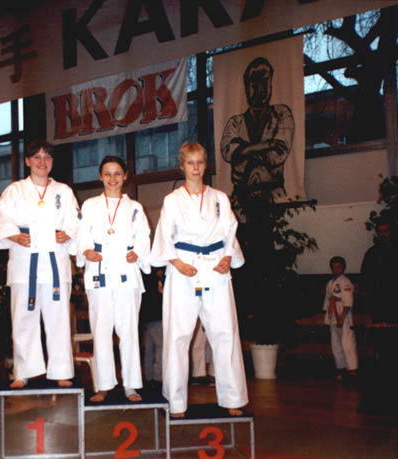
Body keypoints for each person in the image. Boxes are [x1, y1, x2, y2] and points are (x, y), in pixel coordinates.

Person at [150, 142, 248, 418]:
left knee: (225, 333)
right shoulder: (172, 200)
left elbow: (230, 232)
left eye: (200, 162)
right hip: (183, 269)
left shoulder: (220, 198)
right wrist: (176, 262)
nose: (196, 168)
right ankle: (176, 402)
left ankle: (232, 398)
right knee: (178, 336)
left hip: (215, 268)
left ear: (206, 165)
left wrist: (228, 256)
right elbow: (164, 236)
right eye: (190, 162)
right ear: (182, 166)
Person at [0, 139, 79, 389]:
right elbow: (1, 218)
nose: (42, 162)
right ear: (27, 161)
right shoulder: (15, 190)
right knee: (23, 318)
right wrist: (14, 235)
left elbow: (75, 220)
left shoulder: (63, 191)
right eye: (36, 157)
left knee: (58, 318)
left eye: (47, 157)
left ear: (52, 162)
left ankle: (61, 370)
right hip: (24, 261)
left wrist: (68, 233)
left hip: (54, 262)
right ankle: (24, 370)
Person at [76, 155, 151, 402]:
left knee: (128, 331)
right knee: (101, 330)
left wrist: (137, 252)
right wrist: (86, 250)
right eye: (107, 173)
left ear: (125, 176)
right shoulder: (89, 205)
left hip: (127, 273)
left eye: (117, 173)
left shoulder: (135, 208)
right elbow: (81, 234)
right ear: (100, 176)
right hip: (99, 270)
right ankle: (104, 385)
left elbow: (144, 236)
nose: (112, 178)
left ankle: (131, 385)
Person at [220, 57, 295, 209]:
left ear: (271, 84)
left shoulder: (282, 114)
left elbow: (276, 155)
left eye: (264, 82)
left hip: (274, 196)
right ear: (246, 87)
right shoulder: (235, 122)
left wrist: (243, 150)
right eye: (253, 84)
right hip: (240, 198)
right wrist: (267, 144)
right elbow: (228, 153)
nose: (259, 90)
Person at [361, 218, 398, 324]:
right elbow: (365, 276)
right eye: (380, 232)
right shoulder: (371, 253)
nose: (383, 234)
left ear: (393, 232)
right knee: (379, 333)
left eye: (386, 231)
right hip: (378, 304)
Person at [323, 256, 358, 380]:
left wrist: (342, 316)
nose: (336, 269)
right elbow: (327, 300)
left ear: (343, 268)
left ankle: (352, 369)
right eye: (334, 267)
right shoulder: (330, 283)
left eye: (339, 267)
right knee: (336, 344)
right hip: (333, 314)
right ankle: (340, 368)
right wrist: (328, 316)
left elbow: (348, 301)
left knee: (347, 343)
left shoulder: (345, 281)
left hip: (343, 314)